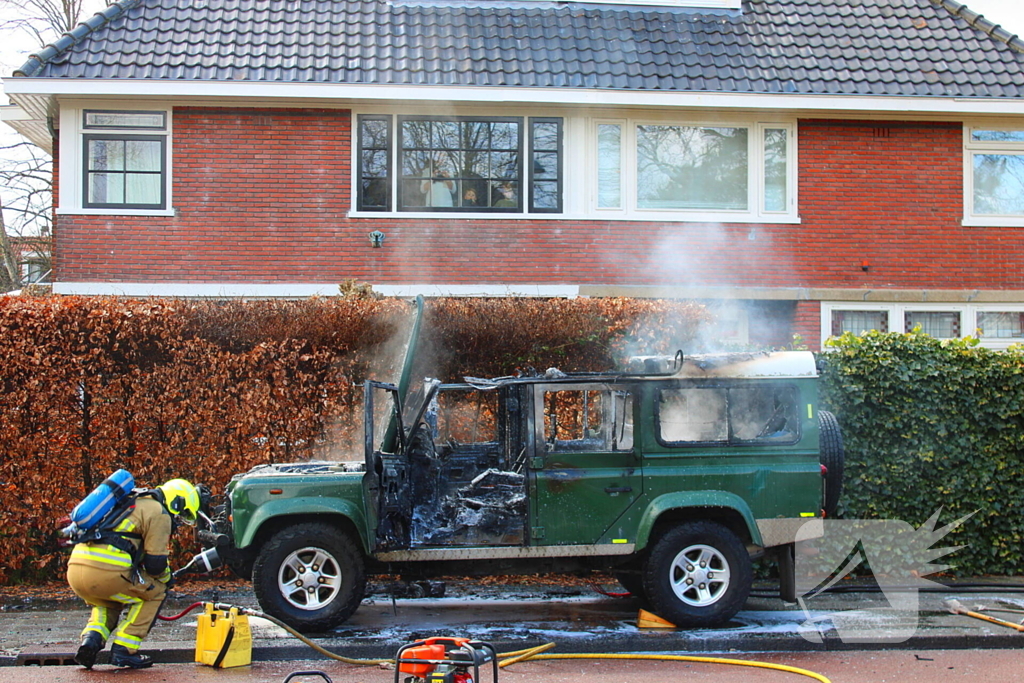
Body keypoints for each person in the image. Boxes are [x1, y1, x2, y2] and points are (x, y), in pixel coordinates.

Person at [67, 478, 200, 669]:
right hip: (106, 573)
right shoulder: (159, 512)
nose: (178, 518)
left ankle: (90, 642)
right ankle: (124, 650)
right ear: (177, 501)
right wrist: (167, 579)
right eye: (182, 512)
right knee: (156, 592)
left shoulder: (127, 501)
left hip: (76, 571)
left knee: (108, 601)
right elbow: (156, 564)